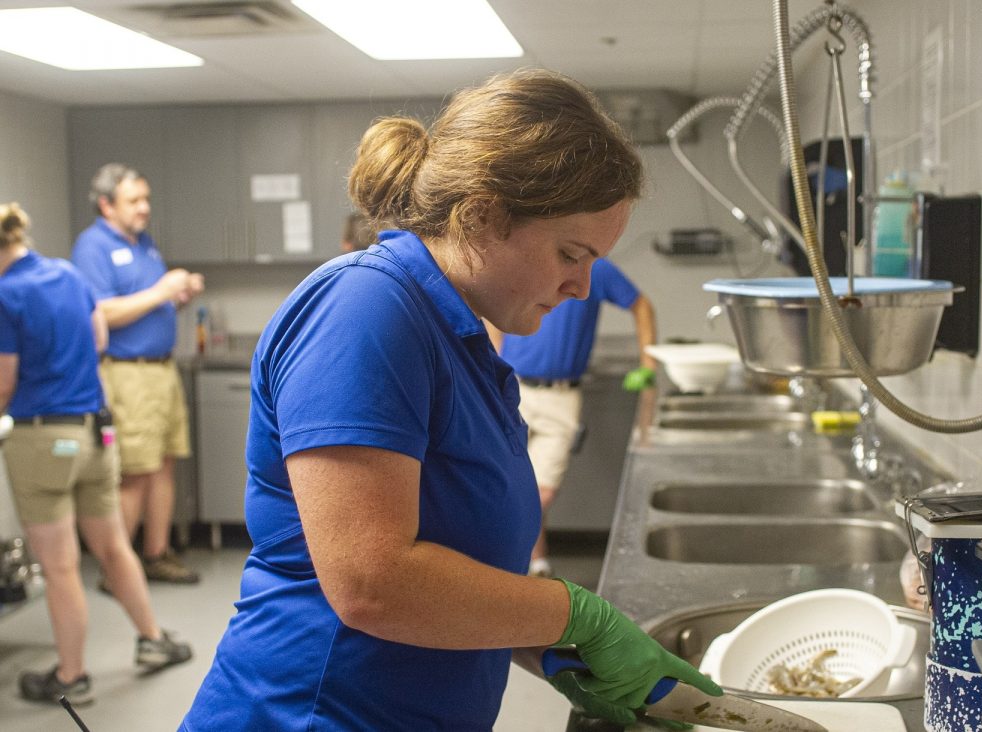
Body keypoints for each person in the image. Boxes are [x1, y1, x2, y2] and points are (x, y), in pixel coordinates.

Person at [181, 68, 721, 730]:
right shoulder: (366, 309)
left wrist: (560, 650)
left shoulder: (459, 337)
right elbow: (372, 584)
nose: (582, 287)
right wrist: (573, 613)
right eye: (570, 254)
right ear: (483, 216)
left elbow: (455, 562)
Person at [0, 202, 193, 706]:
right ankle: (153, 640)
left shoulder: (5, 294)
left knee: (62, 566)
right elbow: (100, 337)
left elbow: (4, 383)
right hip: (96, 435)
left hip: (43, 439)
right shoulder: (66, 273)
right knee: (113, 547)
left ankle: (71, 676)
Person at [71, 163, 204, 585]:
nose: (145, 207)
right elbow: (101, 311)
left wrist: (177, 296)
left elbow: (148, 304)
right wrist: (160, 291)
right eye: (135, 201)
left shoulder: (143, 243)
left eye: (146, 198)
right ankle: (116, 569)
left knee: (163, 465)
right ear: (106, 205)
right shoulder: (92, 247)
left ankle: (156, 554)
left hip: (161, 370)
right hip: (128, 375)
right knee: (134, 472)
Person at [491, 259, 656, 579]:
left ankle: (511, 564)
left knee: (541, 492)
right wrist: (495, 358)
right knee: (511, 481)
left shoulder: (595, 270)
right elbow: (491, 310)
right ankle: (536, 564)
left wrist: (649, 365)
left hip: (562, 398)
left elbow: (641, 305)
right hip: (513, 388)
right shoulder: (525, 261)